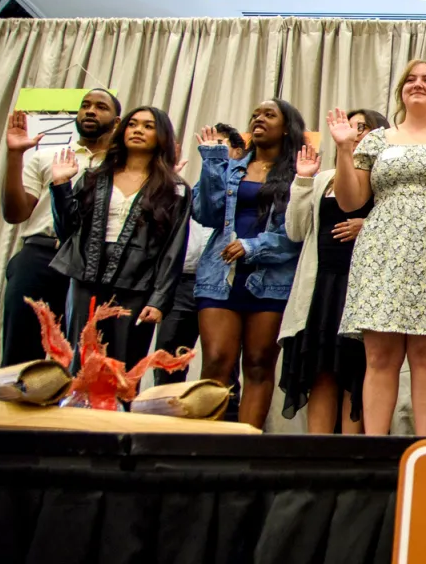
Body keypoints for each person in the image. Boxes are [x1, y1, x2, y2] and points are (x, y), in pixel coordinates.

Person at [333, 60, 426, 436]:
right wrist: (343, 151)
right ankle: (375, 452)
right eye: (411, 79)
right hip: (381, 253)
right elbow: (352, 202)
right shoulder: (378, 139)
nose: (418, 84)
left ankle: (425, 446)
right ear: (400, 90)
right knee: (379, 358)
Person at [47, 106, 191, 370]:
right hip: (85, 277)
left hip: (137, 284)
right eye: (133, 124)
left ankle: (116, 413)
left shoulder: (175, 188)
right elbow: (68, 230)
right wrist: (60, 186)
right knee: (80, 361)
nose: (138, 130)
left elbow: (174, 248)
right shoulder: (94, 177)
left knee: (122, 365)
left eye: (148, 126)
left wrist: (158, 300)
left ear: (162, 136)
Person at [193, 99, 306, 430]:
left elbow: (295, 234)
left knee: (258, 364)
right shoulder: (230, 166)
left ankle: (247, 444)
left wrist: (252, 246)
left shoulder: (299, 173)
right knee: (216, 360)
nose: (258, 119)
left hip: (272, 279)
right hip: (221, 276)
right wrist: (212, 162)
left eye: (269, 115)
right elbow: (205, 214)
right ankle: (203, 444)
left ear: (287, 128)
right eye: (255, 114)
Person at [277, 109, 389, 434]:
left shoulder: (386, 175)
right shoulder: (325, 178)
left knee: (356, 370)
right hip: (321, 287)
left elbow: (399, 223)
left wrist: (369, 225)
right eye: (348, 127)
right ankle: (317, 456)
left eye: (362, 127)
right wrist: (303, 179)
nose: (353, 134)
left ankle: (352, 457)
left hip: (363, 286)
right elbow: (296, 231)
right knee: (321, 370)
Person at [1, 89, 119, 366]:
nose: (90, 111)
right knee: (20, 351)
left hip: (91, 265)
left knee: (81, 356)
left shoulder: (122, 168)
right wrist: (15, 155)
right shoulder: (47, 157)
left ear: (117, 122)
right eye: (85, 105)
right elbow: (15, 214)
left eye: (101, 107)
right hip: (39, 256)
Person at [153, 124, 244, 385]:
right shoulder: (188, 189)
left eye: (221, 146)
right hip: (184, 283)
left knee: (222, 362)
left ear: (237, 152)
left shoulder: (248, 191)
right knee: (168, 360)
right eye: (209, 146)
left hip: (223, 284)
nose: (213, 151)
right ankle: (164, 421)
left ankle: (220, 420)